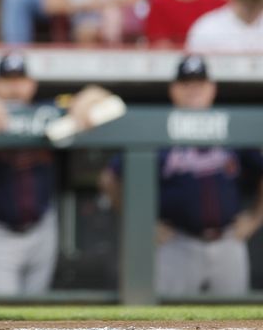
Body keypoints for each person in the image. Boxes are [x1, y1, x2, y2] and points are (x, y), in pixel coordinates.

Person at [0, 51, 115, 295]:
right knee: (2, 313)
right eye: (7, 80)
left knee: (35, 312)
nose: (14, 87)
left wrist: (85, 101)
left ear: (32, 85)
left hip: (42, 229)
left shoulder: (48, 111)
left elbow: (104, 96)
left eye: (20, 80)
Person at [101, 55, 263, 297]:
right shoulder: (157, 128)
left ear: (212, 89)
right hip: (177, 242)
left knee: (234, 318)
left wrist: (256, 218)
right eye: (186, 84)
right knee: (170, 317)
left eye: (200, 84)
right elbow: (109, 178)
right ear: (173, 89)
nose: (193, 90)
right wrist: (143, 225)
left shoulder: (231, 126)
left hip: (228, 240)